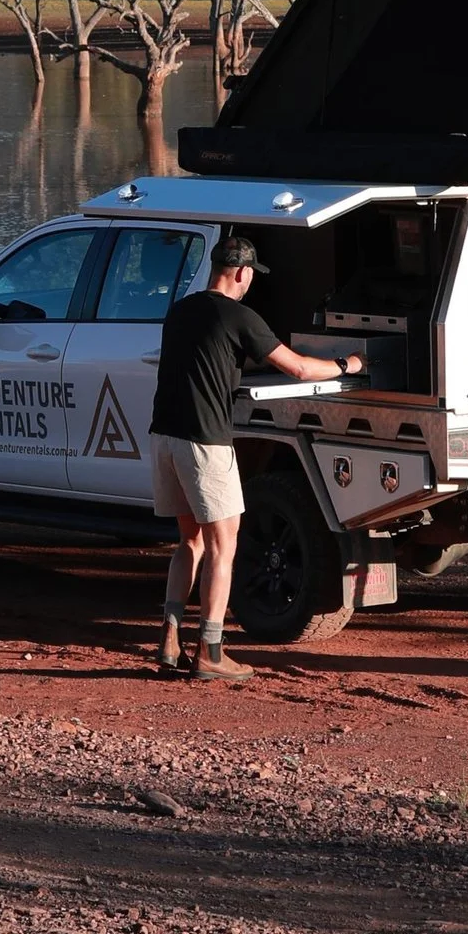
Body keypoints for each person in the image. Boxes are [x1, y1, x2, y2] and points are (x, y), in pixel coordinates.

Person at [150, 227, 360, 682]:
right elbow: (300, 368)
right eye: (251, 275)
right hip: (205, 443)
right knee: (224, 547)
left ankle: (169, 638)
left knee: (190, 542)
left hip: (164, 437)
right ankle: (210, 650)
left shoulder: (180, 311)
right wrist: (349, 365)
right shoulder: (239, 316)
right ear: (242, 272)